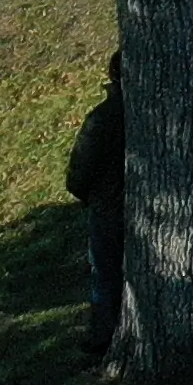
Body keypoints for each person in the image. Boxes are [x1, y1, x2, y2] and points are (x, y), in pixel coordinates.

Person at [68, 56, 128, 363]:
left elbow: (80, 172)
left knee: (106, 274)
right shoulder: (157, 111)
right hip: (147, 206)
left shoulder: (103, 118)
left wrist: (87, 194)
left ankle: (103, 336)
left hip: (109, 208)